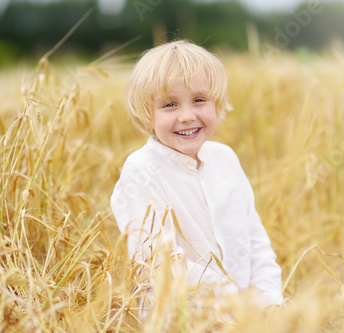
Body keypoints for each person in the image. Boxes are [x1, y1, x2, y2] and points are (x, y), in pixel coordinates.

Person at [110, 39, 284, 312]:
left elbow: (256, 242)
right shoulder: (141, 171)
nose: (187, 116)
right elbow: (159, 261)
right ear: (147, 112)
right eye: (170, 105)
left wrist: (269, 303)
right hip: (185, 319)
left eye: (199, 100)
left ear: (216, 102)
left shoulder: (225, 158)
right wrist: (235, 301)